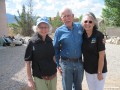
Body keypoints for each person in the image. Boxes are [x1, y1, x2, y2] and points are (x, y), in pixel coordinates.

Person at [53, 8, 84, 90]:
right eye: (64, 16)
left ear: (73, 16)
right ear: (61, 19)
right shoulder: (58, 31)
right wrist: (57, 65)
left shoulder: (80, 27)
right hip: (66, 65)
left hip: (79, 63)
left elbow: (91, 31)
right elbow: (55, 49)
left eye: (69, 16)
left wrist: (99, 38)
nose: (67, 18)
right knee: (67, 88)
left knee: (78, 87)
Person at [24, 17, 57, 90]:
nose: (43, 29)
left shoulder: (50, 41)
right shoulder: (32, 42)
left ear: (49, 28)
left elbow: (53, 57)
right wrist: (29, 80)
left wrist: (60, 66)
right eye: (41, 27)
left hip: (53, 76)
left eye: (45, 27)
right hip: (40, 78)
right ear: (36, 28)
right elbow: (27, 62)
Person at [81, 12, 107, 90]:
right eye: (85, 21)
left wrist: (99, 72)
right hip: (88, 70)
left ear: (94, 23)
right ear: (82, 23)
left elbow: (102, 56)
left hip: (99, 71)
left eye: (90, 21)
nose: (87, 23)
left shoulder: (99, 35)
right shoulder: (82, 36)